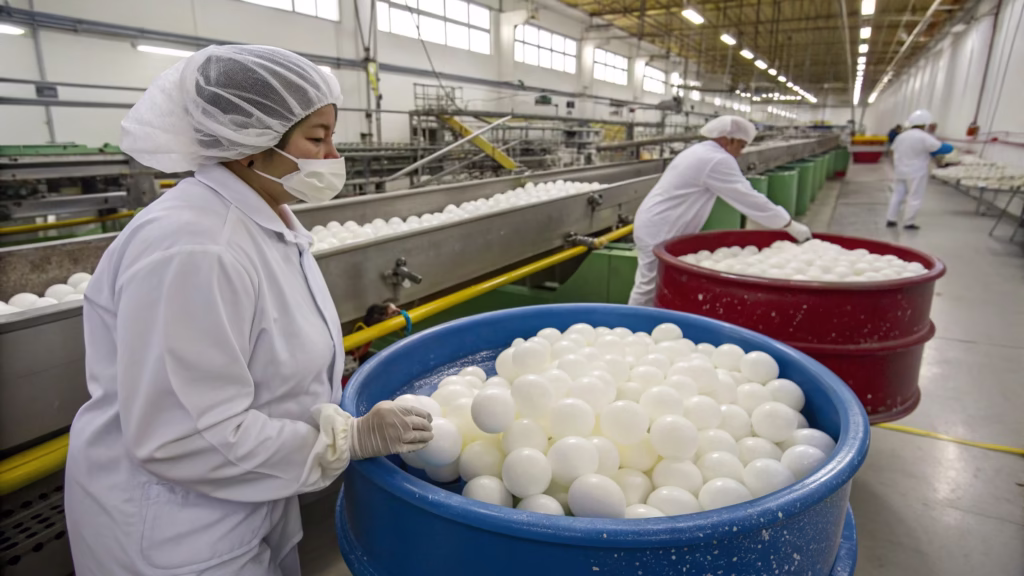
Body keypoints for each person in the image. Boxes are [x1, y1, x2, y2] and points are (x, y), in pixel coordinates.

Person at [64, 45, 433, 576]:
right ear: (249, 147)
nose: (333, 158)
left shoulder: (262, 222)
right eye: (316, 138)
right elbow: (184, 435)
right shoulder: (196, 247)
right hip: (175, 531)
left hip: (241, 499)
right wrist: (349, 439)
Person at [628, 116, 812, 307]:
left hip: (660, 222)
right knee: (648, 285)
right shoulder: (716, 159)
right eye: (741, 146)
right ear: (728, 139)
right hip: (660, 227)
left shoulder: (701, 151)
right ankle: (632, 326)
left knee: (656, 282)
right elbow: (748, 197)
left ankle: (649, 321)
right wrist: (788, 224)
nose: (740, 153)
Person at [886, 109, 953, 230]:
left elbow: (892, 151)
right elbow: (943, 149)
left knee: (897, 195)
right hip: (916, 172)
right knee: (915, 196)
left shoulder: (901, 136)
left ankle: (891, 219)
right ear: (926, 124)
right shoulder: (924, 137)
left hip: (900, 171)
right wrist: (948, 145)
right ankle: (909, 222)